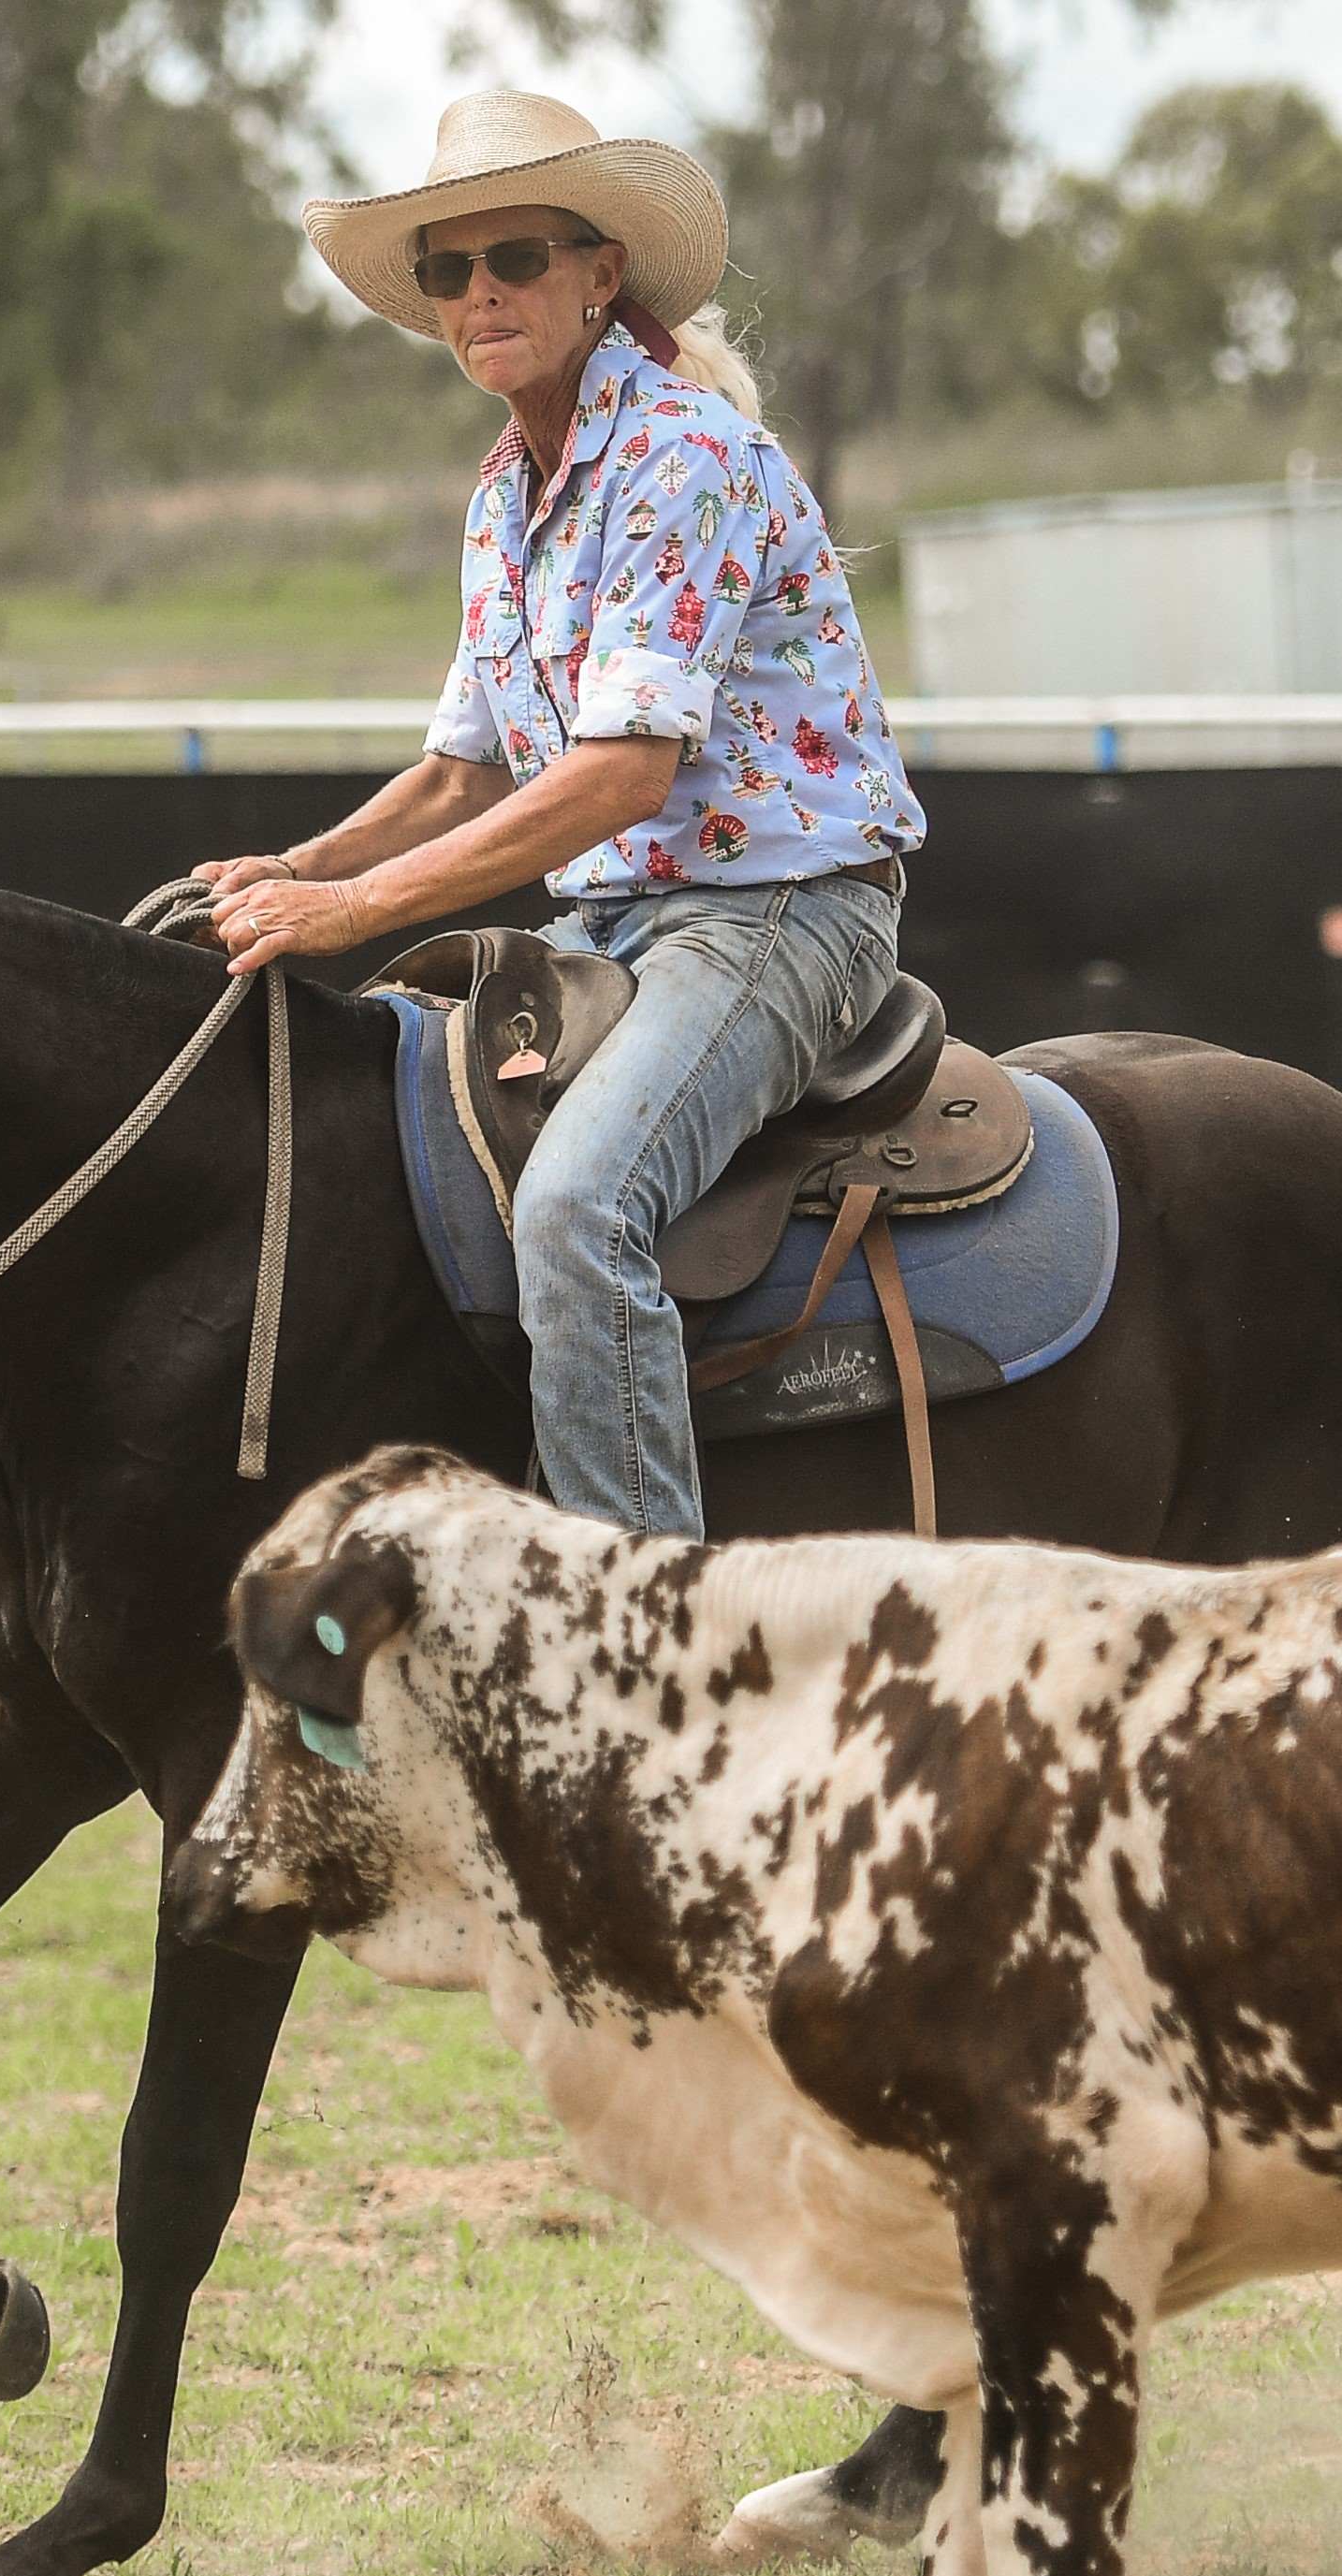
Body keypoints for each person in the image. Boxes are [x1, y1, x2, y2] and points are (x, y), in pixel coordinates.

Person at [199, 90, 925, 1541]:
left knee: (581, 1215)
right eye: (448, 269)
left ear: (602, 275)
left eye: (515, 258)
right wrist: (293, 865)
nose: (480, 293)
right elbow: (464, 772)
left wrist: (349, 912)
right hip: (613, 926)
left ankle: (641, 1613)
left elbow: (619, 777)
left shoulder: (686, 457)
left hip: (778, 916)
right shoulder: (501, 496)